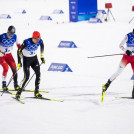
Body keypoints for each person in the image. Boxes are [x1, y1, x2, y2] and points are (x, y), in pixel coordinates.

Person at [103, 29, 134, 98]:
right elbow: (120, 45)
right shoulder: (128, 36)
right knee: (118, 72)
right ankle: (106, 84)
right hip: (127, 57)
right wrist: (126, 50)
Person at [16, 31, 45, 99]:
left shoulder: (40, 41)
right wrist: (19, 62)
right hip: (26, 60)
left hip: (34, 59)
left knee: (38, 74)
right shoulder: (26, 42)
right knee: (26, 77)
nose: (37, 41)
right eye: (36, 39)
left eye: (38, 39)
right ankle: (18, 92)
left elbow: (42, 47)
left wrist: (42, 57)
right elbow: (19, 51)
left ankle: (36, 92)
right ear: (32, 38)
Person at [0, 25, 21, 91]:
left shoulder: (15, 37)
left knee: (14, 69)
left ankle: (16, 84)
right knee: (6, 68)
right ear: (7, 31)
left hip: (9, 55)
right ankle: (4, 84)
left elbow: (19, 46)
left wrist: (22, 53)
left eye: (12, 34)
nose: (11, 36)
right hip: (1, 55)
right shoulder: (1, 36)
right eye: (10, 34)